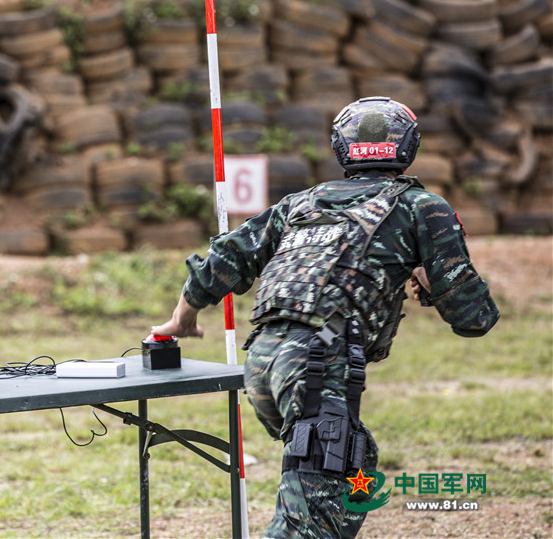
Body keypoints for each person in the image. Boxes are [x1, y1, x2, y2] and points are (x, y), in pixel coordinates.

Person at [151, 96, 499, 538]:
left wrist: (183, 318)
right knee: (306, 523)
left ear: (341, 148)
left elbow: (228, 256)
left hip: (262, 366)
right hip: (316, 369)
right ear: (408, 146)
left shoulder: (302, 202)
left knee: (355, 471)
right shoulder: (421, 208)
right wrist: (430, 283)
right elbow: (473, 317)